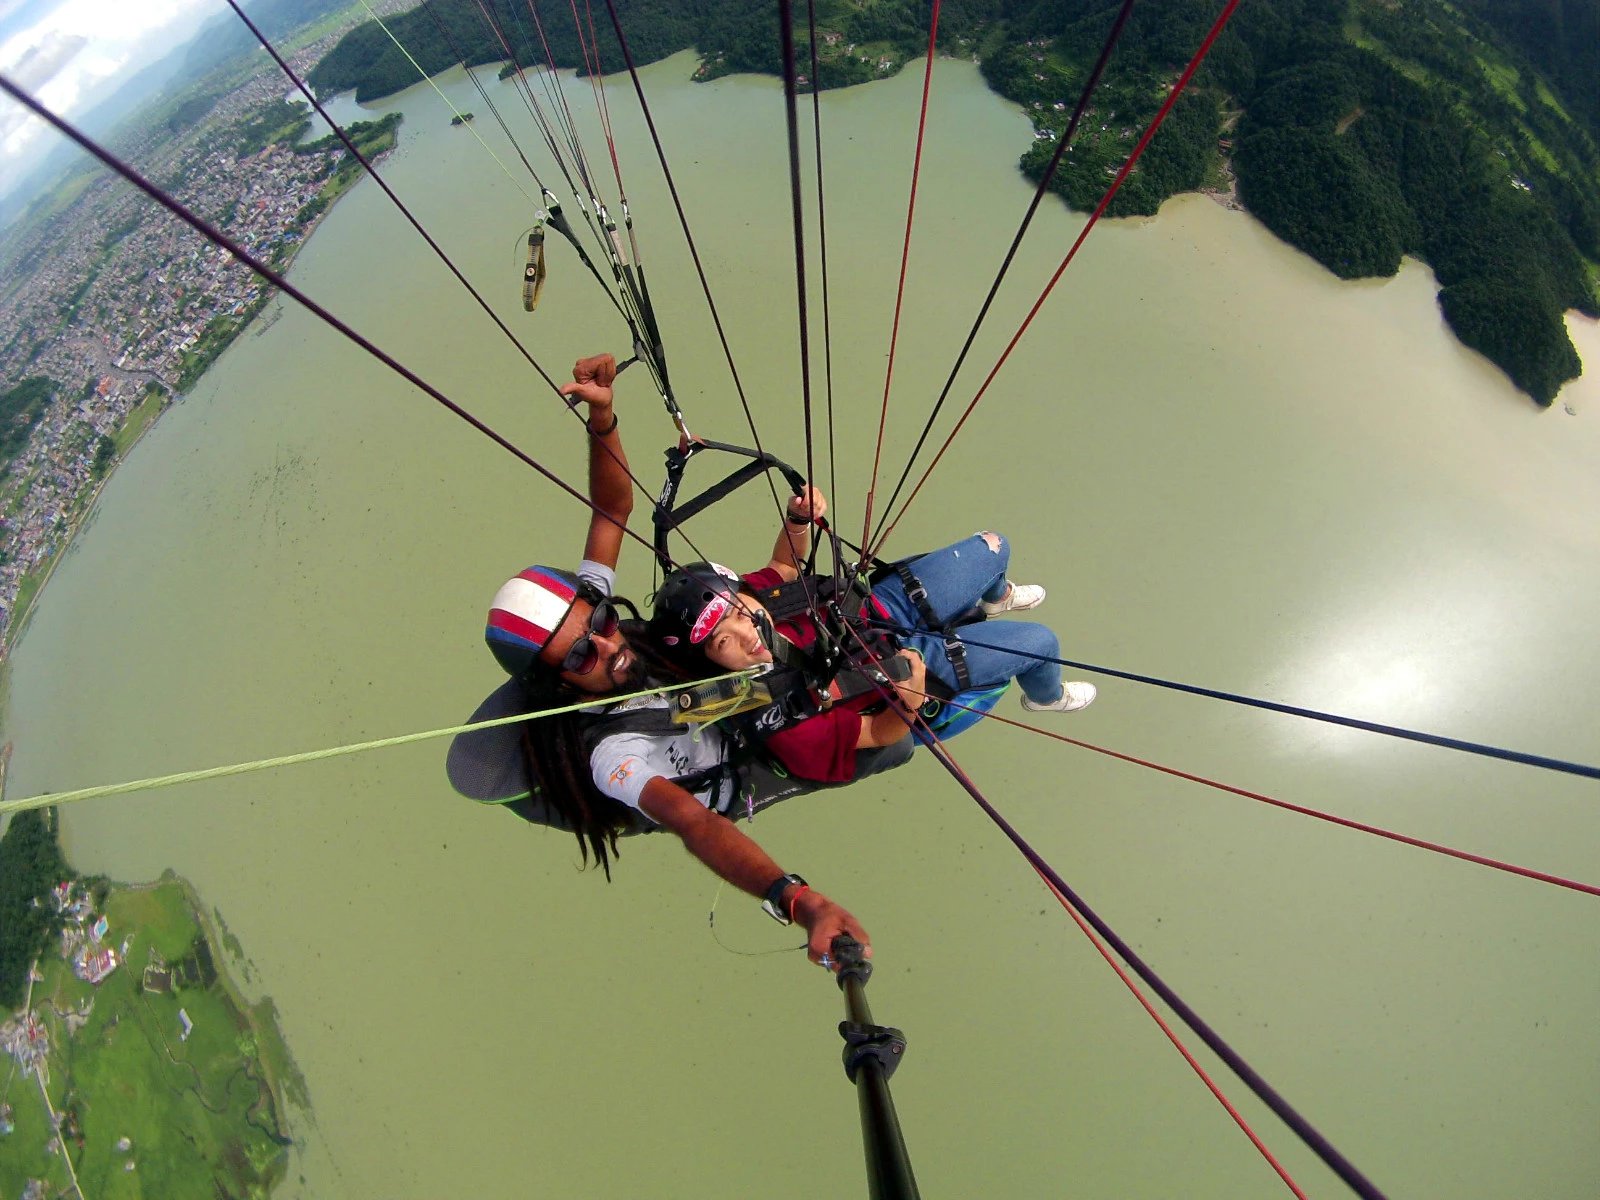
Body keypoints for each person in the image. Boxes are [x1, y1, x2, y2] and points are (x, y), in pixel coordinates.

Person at [454, 352, 891, 971]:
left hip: (719, 692)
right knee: (886, 722)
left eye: (601, 624)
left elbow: (612, 512)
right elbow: (689, 821)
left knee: (804, 619)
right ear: (555, 683)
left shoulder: (597, 622)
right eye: (582, 654)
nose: (609, 644)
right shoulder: (610, 757)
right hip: (737, 755)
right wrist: (798, 900)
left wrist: (603, 418)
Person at [648, 485, 1097, 780]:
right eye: (724, 641)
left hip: (877, 609)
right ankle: (1044, 697)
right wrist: (913, 693)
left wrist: (797, 520)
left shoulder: (755, 593)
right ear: (708, 658)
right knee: (1042, 644)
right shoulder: (780, 720)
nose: (747, 633)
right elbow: (881, 736)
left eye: (741, 611)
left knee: (994, 546)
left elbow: (784, 568)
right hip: (900, 667)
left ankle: (994, 598)